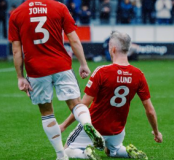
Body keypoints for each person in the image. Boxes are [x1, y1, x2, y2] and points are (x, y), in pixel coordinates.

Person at [8, 1, 105, 160]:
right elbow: (73, 39)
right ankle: (87, 124)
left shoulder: (17, 14)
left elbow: (16, 50)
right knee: (76, 105)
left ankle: (61, 155)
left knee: (47, 112)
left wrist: (20, 76)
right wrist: (83, 64)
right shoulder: (59, 7)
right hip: (61, 65)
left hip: (36, 70)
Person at [60, 31, 163, 159]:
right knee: (111, 151)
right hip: (117, 130)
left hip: (95, 127)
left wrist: (63, 125)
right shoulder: (138, 75)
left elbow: (83, 105)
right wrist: (156, 132)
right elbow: (150, 110)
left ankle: (86, 154)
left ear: (113, 49)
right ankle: (127, 152)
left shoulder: (102, 72)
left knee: (66, 151)